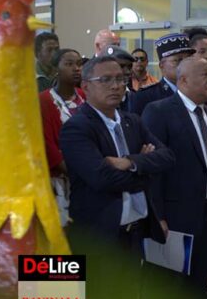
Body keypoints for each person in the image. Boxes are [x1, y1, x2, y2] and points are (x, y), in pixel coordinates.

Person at [142, 56, 207, 299]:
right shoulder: (159, 112)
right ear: (183, 80)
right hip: (176, 216)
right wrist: (158, 216)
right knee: (170, 286)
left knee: (198, 281)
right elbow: (153, 170)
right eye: (204, 75)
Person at [59, 55, 173, 250]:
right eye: (105, 80)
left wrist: (131, 162)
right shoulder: (77, 127)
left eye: (120, 79)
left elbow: (167, 157)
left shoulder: (132, 121)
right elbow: (102, 178)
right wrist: (146, 172)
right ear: (86, 86)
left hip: (136, 231)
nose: (116, 86)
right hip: (99, 236)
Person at [38, 48, 84, 226]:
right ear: (56, 69)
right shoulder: (44, 101)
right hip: (59, 179)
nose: (76, 68)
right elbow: (46, 145)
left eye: (78, 64)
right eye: (69, 64)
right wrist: (78, 173)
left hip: (87, 174)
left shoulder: (84, 96)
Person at [130, 33, 195, 115]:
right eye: (178, 60)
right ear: (162, 65)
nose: (184, 64)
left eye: (188, 59)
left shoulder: (197, 92)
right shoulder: (145, 97)